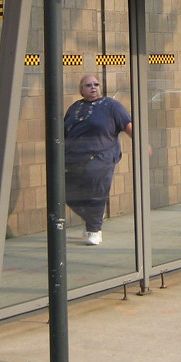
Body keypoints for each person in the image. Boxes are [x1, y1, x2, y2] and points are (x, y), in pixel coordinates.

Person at [63, 74, 132, 245]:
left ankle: (94, 230)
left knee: (95, 193)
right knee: (65, 193)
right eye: (88, 85)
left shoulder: (111, 106)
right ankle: (92, 219)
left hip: (101, 157)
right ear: (81, 90)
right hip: (73, 159)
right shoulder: (75, 108)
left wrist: (143, 144)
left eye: (96, 84)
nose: (93, 87)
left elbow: (128, 126)